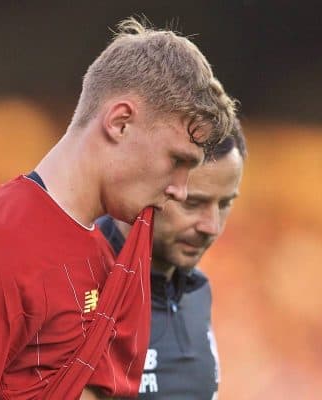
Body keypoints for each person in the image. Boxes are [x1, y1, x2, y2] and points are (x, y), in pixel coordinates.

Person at [0, 17, 236, 400]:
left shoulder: (101, 250)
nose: (180, 190)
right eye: (177, 161)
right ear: (120, 122)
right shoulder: (0, 243)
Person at [97, 120, 246, 400]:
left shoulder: (197, 291)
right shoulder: (75, 286)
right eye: (192, 203)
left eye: (225, 204)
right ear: (141, 184)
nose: (211, 226)